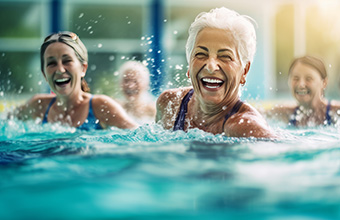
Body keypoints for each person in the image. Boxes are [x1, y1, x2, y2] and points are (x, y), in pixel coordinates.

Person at [156, 7, 276, 138]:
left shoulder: (246, 128)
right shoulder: (170, 104)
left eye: (225, 56)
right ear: (189, 66)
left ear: (244, 72)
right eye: (201, 54)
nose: (211, 67)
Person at [10, 31, 138, 130]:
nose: (60, 69)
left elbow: (138, 137)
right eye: (51, 63)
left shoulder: (100, 106)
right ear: (44, 74)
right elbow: (6, 122)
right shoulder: (38, 105)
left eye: (67, 61)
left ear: (83, 68)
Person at [266, 55, 340, 127]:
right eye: (296, 78)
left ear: (324, 83)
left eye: (308, 79)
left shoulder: (337, 112)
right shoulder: (284, 113)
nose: (301, 84)